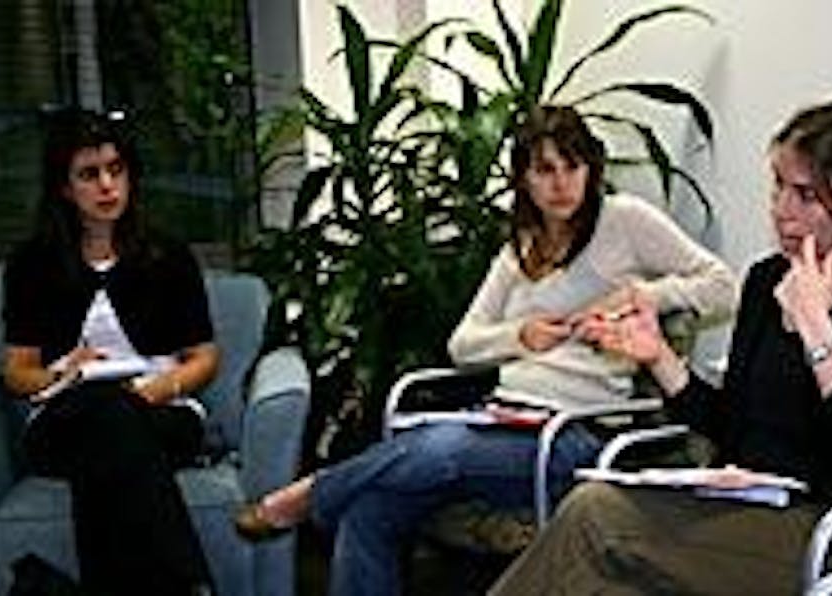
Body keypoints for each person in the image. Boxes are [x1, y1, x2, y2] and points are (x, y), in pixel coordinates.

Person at [233, 105, 737, 595]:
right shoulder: (520, 248)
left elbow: (721, 284)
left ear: (591, 169)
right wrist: (520, 335)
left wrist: (642, 295)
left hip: (573, 435)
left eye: (573, 166)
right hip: (502, 424)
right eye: (544, 170)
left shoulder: (624, 221)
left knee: (440, 446)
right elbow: (462, 345)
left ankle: (311, 493)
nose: (561, 184)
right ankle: (332, 492)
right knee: (371, 510)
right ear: (523, 178)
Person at [488, 98, 832, 596]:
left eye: (805, 195)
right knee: (594, 584)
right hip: (745, 513)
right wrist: (660, 359)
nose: (781, 210)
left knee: (595, 514)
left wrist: (819, 331)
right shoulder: (765, 279)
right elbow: (734, 427)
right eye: (778, 187)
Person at [1, 108, 218, 596]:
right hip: (66, 414)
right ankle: (189, 583)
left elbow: (205, 357)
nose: (106, 186)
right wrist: (65, 375)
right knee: (106, 415)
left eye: (116, 171)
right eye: (89, 175)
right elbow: (16, 373)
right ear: (63, 187)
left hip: (162, 410)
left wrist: (164, 386)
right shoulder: (32, 264)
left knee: (112, 438)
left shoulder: (169, 256)